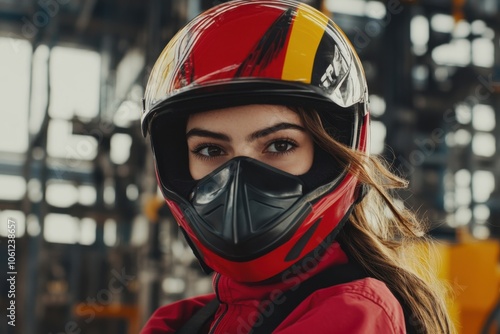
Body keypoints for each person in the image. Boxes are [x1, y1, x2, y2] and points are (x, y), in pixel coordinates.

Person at [139, 0, 454, 333]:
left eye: (279, 145)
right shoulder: (182, 322)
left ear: (330, 155)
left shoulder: (354, 313)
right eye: (210, 149)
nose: (237, 180)